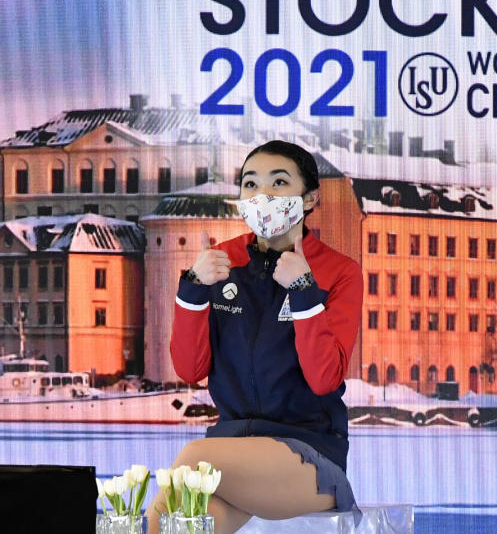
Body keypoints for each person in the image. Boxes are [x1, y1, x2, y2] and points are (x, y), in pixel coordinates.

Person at [147, 141, 363, 534]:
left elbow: (324, 378)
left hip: (308, 455)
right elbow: (191, 369)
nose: (261, 195)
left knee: (194, 460)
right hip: (232, 444)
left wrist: (302, 290)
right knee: (166, 522)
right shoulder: (222, 262)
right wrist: (193, 290)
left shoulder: (339, 271)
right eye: (250, 184)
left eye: (278, 183)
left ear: (310, 197)